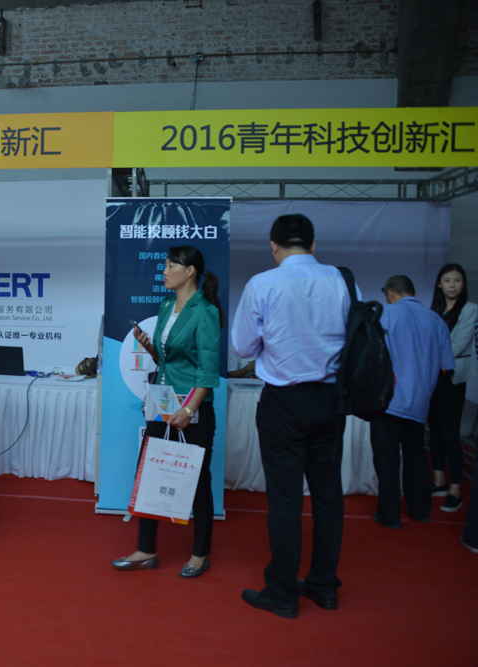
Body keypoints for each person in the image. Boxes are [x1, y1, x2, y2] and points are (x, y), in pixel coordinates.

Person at [231, 214, 350, 619]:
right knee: (328, 497)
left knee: (285, 500)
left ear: (274, 247)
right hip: (332, 400)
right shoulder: (342, 280)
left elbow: (243, 347)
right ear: (313, 246)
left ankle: (282, 591)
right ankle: (324, 586)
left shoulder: (263, 283)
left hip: (284, 401)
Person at [111, 245, 223, 578]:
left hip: (193, 406)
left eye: (171, 266)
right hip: (162, 402)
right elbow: (167, 360)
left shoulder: (206, 312)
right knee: (149, 473)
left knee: (197, 480)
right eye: (165, 265)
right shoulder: (164, 306)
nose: (164, 271)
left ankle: (200, 554)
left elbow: (207, 372)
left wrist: (189, 409)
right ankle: (146, 550)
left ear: (190, 271)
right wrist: (149, 347)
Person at [370, 276, 454, 529]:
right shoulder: (436, 320)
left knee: (387, 460)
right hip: (419, 402)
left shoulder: (385, 314)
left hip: (388, 400)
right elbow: (447, 366)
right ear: (414, 293)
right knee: (416, 457)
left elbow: (372, 357)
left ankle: (389, 515)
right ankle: (420, 510)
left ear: (390, 294)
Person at [427, 263, 477, 513]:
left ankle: (456, 489)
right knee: (434, 430)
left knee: (449, 432)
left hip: (452, 377)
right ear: (439, 284)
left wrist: (426, 356)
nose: (452, 285)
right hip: (432, 376)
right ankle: (439, 482)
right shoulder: (434, 310)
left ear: (463, 283)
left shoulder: (470, 309)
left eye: (457, 280)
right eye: (447, 280)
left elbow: (456, 346)